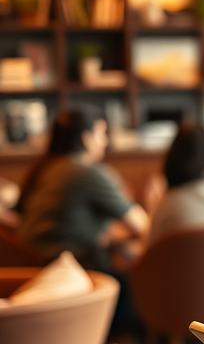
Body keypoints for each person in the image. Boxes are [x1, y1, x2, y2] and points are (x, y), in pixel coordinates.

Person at [16, 109, 149, 272]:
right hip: (74, 267)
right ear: (86, 138)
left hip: (32, 263)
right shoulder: (88, 173)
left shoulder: (43, 168)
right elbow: (140, 224)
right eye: (102, 134)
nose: (106, 141)